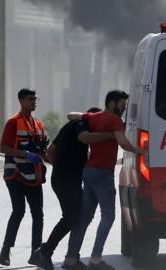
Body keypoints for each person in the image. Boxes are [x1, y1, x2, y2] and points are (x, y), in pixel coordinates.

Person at [63, 90, 142, 270]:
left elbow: (71, 115)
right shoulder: (114, 120)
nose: (123, 109)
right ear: (112, 103)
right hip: (103, 174)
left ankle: (70, 258)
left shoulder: (93, 116)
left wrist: (86, 117)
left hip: (89, 171)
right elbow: (122, 143)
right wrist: (140, 151)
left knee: (84, 218)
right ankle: (96, 259)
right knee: (108, 216)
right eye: (122, 105)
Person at [33, 107, 115, 270]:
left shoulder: (68, 127)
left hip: (61, 178)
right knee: (71, 217)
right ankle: (45, 251)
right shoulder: (81, 125)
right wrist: (110, 134)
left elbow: (49, 151)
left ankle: (63, 255)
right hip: (67, 180)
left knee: (73, 216)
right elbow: (84, 138)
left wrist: (60, 168)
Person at [0, 88, 49, 266]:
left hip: (34, 176)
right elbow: (3, 148)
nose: (34, 102)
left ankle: (36, 252)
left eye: (35, 99)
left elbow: (44, 151)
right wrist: (25, 154)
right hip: (15, 175)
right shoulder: (13, 122)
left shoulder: (38, 124)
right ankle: (6, 249)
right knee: (18, 211)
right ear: (21, 101)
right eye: (30, 99)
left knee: (38, 215)